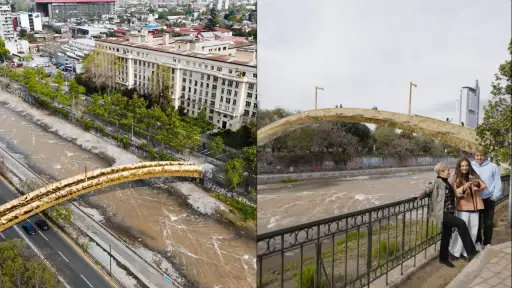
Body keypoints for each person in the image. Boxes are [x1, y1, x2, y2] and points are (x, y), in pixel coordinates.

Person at [414, 162, 477, 267]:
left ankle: (443, 258)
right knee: (461, 223)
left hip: (449, 211)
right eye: (447, 170)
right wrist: (419, 195)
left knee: (446, 236)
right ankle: (471, 252)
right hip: (441, 212)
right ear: (441, 172)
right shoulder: (436, 182)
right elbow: (427, 189)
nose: (449, 172)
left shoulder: (447, 182)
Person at [449, 157, 486, 260]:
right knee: (460, 230)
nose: (464, 168)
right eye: (462, 166)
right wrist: (465, 186)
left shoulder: (474, 175)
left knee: (473, 229)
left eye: (466, 165)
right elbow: (455, 192)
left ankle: (467, 252)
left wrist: (476, 183)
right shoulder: (456, 177)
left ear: (469, 166)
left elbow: (482, 186)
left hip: (475, 207)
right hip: (463, 207)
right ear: (459, 167)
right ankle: (454, 252)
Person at [471, 148, 502, 249]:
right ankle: (478, 242)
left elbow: (498, 182)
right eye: (477, 156)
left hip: (489, 199)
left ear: (485, 156)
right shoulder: (471, 166)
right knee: (477, 222)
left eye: (481, 155)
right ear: (474, 156)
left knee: (488, 223)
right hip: (476, 199)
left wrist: (495, 196)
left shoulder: (493, 166)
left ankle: (487, 242)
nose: (479, 158)